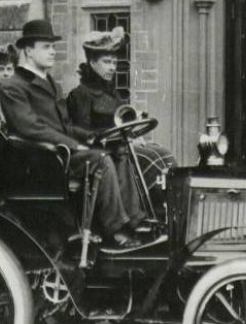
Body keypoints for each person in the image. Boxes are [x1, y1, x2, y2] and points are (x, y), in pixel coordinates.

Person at [0, 20, 143, 248]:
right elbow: (31, 127)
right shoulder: (13, 85)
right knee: (100, 160)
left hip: (58, 153)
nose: (53, 52)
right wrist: (75, 145)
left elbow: (64, 125)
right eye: (46, 47)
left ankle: (133, 222)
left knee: (116, 150)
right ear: (28, 50)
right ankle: (114, 231)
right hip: (39, 162)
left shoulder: (51, 83)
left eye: (53, 47)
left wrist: (92, 137)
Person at [67, 27, 174, 221]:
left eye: (115, 62)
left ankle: (159, 213)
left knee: (163, 155)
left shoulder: (112, 93)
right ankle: (135, 217)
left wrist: (135, 127)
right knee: (148, 158)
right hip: (103, 151)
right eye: (106, 62)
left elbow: (124, 120)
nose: (112, 68)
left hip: (121, 147)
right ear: (91, 63)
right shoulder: (81, 94)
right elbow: (81, 131)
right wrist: (106, 138)